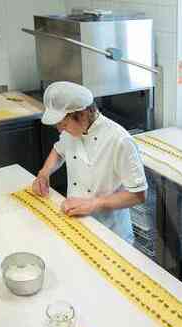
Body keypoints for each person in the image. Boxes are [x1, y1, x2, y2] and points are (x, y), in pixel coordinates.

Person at [32, 82, 148, 243]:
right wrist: (44, 173)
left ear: (82, 114)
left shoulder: (119, 140)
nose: (60, 130)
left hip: (111, 233)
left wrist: (94, 204)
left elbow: (138, 195)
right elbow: (58, 151)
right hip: (76, 222)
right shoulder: (72, 131)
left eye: (63, 125)